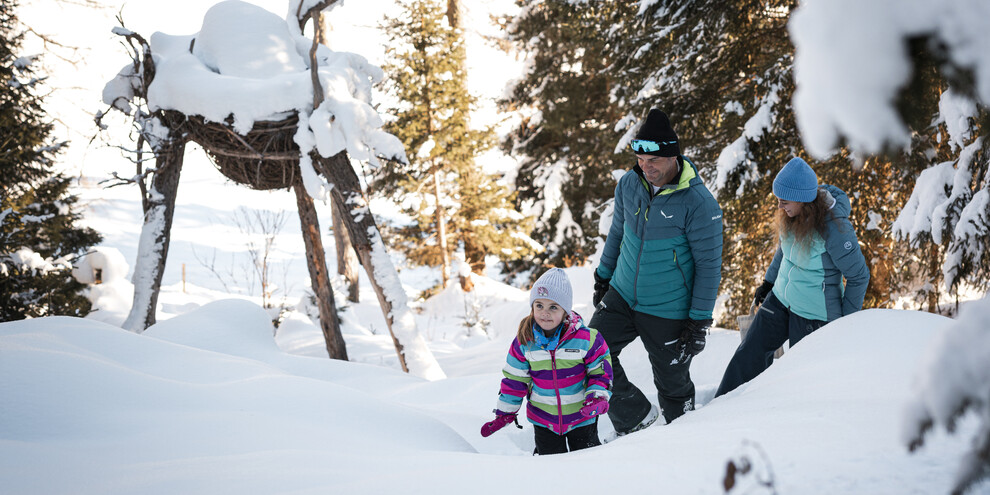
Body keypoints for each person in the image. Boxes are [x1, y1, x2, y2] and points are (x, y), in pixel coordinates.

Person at [589, 109, 723, 435]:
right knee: (586, 353)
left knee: (673, 388)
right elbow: (617, 233)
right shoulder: (629, 185)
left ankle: (684, 442)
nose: (646, 167)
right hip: (622, 294)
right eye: (640, 159)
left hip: (668, 309)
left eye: (654, 161)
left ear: (673, 156)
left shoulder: (698, 203)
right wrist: (603, 276)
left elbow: (709, 266)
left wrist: (699, 320)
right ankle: (636, 420)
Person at [714, 157, 870, 397]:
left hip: (813, 314)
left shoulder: (835, 228)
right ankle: (720, 408)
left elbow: (859, 277)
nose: (779, 206)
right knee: (748, 354)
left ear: (803, 200)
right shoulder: (792, 216)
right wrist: (768, 283)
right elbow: (784, 251)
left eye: (784, 201)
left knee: (799, 381)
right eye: (778, 200)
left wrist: (844, 326)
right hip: (780, 299)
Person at [480, 267, 613, 455]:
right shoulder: (524, 341)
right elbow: (515, 380)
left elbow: (600, 372)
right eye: (539, 305)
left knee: (587, 463)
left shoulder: (587, 339)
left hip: (582, 417)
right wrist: (505, 412)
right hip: (543, 420)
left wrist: (597, 396)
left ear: (565, 310)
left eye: (553, 307)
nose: (545, 313)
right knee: (549, 467)